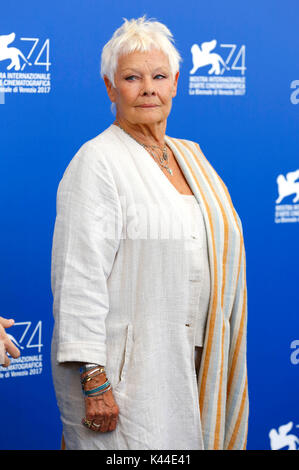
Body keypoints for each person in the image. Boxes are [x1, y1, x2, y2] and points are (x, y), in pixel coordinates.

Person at [51, 16, 249, 450]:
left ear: (176, 82)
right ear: (110, 87)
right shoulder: (97, 162)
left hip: (193, 361)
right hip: (126, 378)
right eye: (132, 77)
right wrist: (94, 379)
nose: (148, 88)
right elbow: (78, 276)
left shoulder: (192, 157)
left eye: (159, 76)